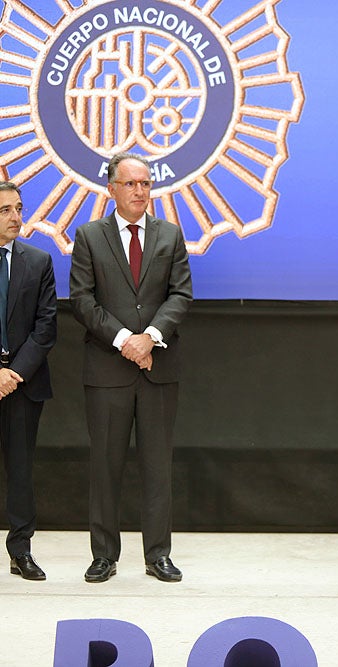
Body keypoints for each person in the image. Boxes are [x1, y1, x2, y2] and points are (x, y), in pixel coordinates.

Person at [69, 152, 193, 583]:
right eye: (131, 184)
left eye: (145, 183)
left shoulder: (170, 235)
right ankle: (104, 554)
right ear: (112, 189)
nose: (140, 191)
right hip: (107, 369)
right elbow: (83, 300)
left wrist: (150, 337)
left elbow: (180, 295)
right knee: (106, 465)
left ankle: (158, 554)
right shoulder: (88, 236)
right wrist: (125, 340)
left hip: (159, 367)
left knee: (158, 466)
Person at [0, 182, 57, 582]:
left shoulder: (38, 261)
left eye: (18, 208)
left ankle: (20, 550)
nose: (16, 216)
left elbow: (46, 326)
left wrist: (13, 372)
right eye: (5, 210)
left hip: (22, 384)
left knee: (20, 472)